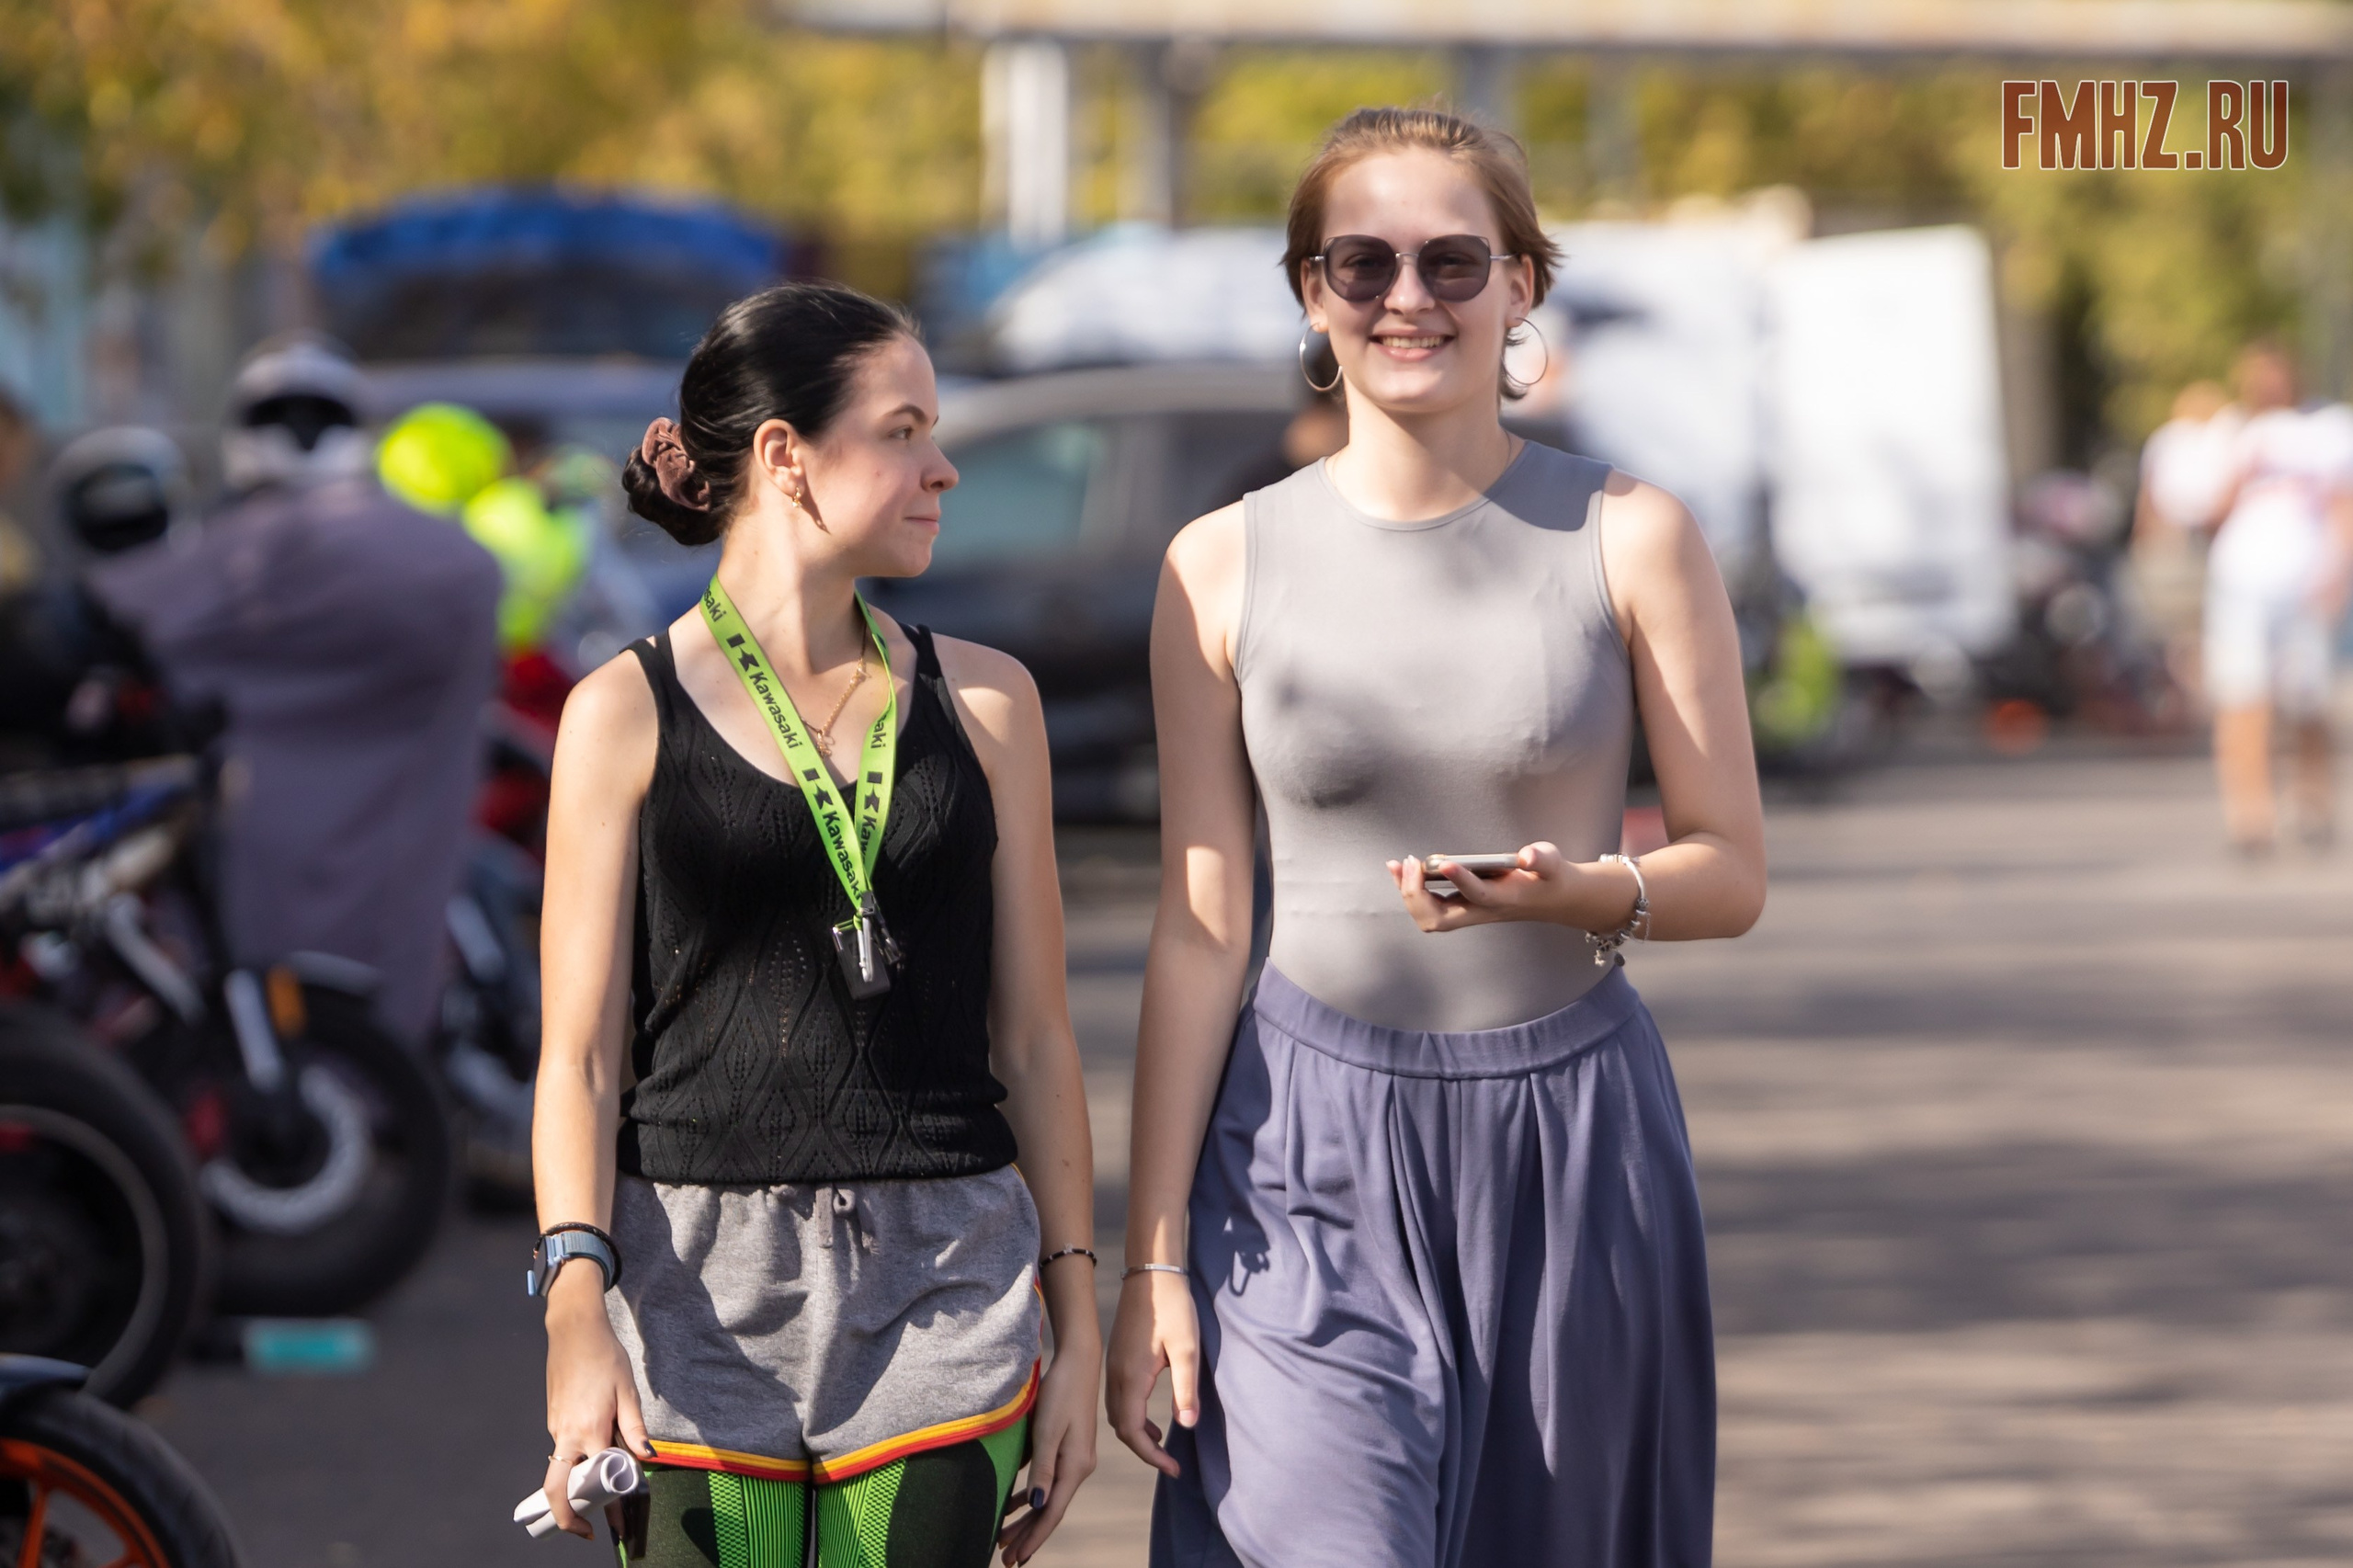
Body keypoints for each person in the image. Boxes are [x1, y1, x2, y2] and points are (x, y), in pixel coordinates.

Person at [1106, 107, 1767, 1567]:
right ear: (1309, 291)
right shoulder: (1216, 564)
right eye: (1363, 263)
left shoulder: (1631, 532)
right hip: (1296, 1153)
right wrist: (1152, 1254)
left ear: (1523, 285)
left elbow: (1732, 869)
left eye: (1456, 262)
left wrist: (1579, 891)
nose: (1409, 299)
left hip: (1568, 1142)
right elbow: (1200, 923)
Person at [530, 281, 1098, 1568]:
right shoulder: (619, 712)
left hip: (947, 1274)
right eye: (903, 429)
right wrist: (574, 1306)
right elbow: (578, 1054)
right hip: (689, 1284)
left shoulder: (990, 704)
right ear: (786, 454)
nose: (943, 466)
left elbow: (1041, 1034)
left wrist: (1077, 1322)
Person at [85, 336, 503, 1044]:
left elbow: (107, 618)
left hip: (251, 872)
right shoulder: (449, 561)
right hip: (389, 908)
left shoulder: (224, 557)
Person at [2204, 341, 2353, 853]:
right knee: (2243, 698)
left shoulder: (2328, 428)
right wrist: (2241, 466)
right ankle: (2250, 815)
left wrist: (2338, 572)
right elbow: (2207, 509)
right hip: (2241, 584)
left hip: (2305, 585)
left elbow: (2343, 504)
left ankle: (2312, 804)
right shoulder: (2231, 430)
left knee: (2306, 700)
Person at [2131, 380, 2241, 703]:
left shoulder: (2227, 435)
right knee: (2176, 622)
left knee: (2207, 616)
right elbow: (2151, 492)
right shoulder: (2168, 439)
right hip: (2177, 534)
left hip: (2211, 534)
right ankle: (2186, 686)